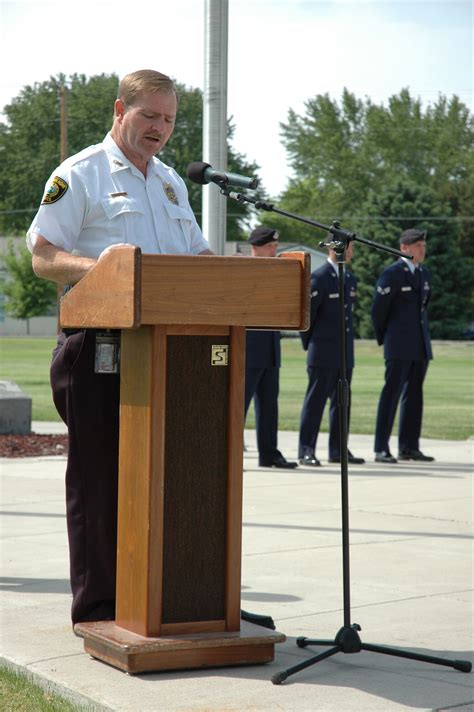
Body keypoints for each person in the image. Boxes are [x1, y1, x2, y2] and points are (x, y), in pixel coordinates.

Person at [26, 69, 213, 626]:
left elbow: (198, 258)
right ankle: (102, 606)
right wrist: (107, 271)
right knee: (101, 481)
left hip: (170, 349)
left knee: (178, 476)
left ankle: (176, 596)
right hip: (100, 349)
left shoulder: (171, 184)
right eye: (149, 115)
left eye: (170, 119)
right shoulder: (78, 173)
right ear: (119, 110)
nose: (160, 128)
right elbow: (43, 255)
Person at [298, 242, 365, 466]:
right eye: (347, 248)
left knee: (342, 403)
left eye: (351, 248)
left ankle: (338, 450)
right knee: (315, 403)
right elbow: (307, 319)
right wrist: (312, 346)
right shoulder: (318, 278)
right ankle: (306, 449)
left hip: (344, 353)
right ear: (332, 249)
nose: (350, 252)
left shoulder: (349, 278)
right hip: (322, 352)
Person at [372, 228, 434, 463]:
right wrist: (387, 339)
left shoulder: (423, 274)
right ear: (404, 248)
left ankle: (409, 447)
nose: (422, 250)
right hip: (398, 346)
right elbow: (378, 312)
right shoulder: (392, 274)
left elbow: (423, 308)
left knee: (414, 396)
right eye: (418, 246)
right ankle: (381, 448)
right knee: (391, 395)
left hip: (419, 345)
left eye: (423, 246)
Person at [244, 226, 298, 469]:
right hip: (249, 349)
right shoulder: (244, 272)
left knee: (269, 407)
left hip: (270, 349)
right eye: (270, 246)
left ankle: (269, 454)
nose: (274, 250)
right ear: (255, 247)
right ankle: (232, 453)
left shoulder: (278, 272)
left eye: (276, 246)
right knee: (239, 407)